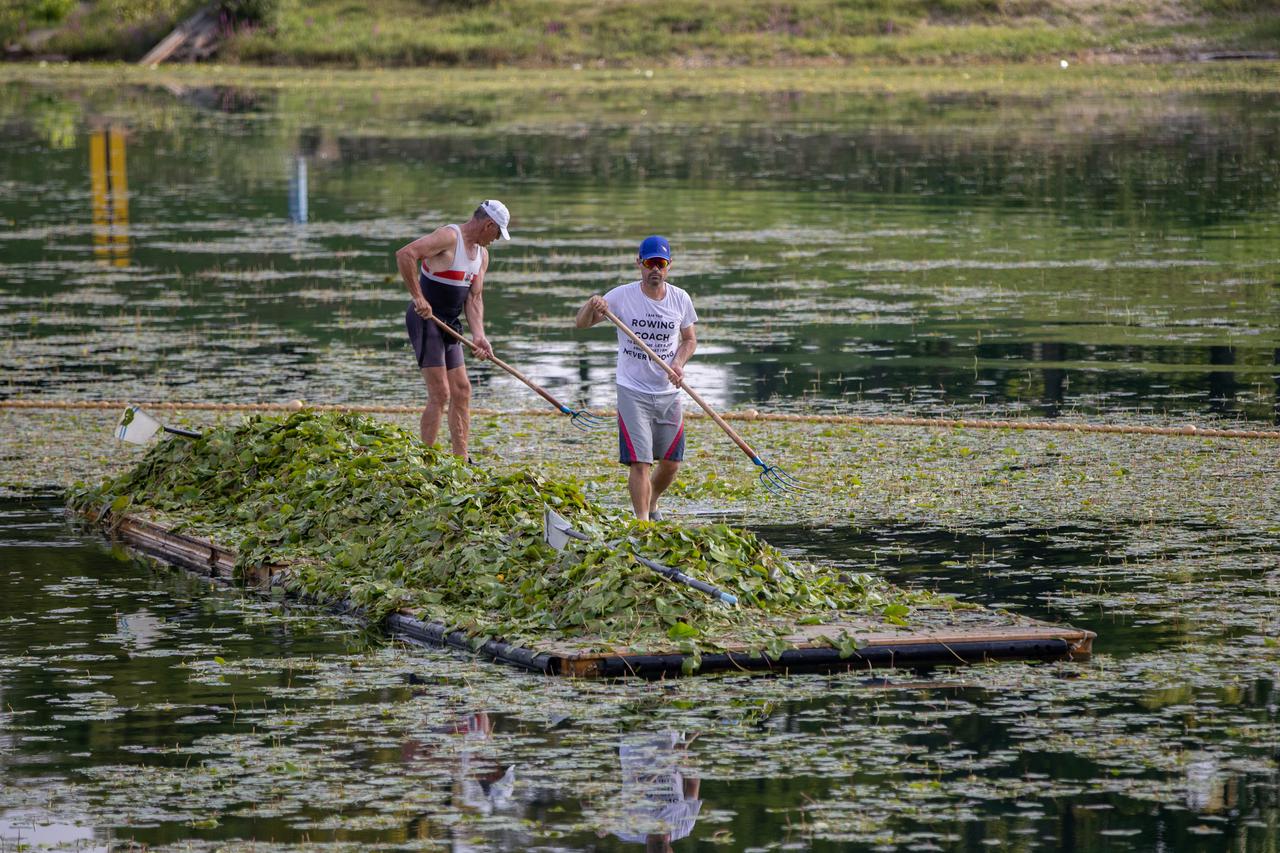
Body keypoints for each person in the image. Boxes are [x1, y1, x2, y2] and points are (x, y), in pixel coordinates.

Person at [576, 235, 697, 521]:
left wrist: (678, 364)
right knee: (640, 462)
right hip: (632, 390)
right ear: (638, 263)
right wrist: (592, 305)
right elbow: (581, 324)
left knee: (671, 463)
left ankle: (651, 501)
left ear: (668, 266)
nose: (655, 269)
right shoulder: (621, 296)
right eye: (649, 263)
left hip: (667, 391)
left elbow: (690, 339)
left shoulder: (680, 299)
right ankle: (642, 524)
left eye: (661, 263)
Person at [395, 200, 510, 459]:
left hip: (450, 324)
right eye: (497, 233)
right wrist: (418, 297)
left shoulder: (482, 255)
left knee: (462, 390)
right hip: (426, 319)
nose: (496, 239)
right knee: (441, 393)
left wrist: (479, 335)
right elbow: (405, 254)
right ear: (488, 224)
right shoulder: (449, 237)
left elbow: (474, 299)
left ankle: (461, 460)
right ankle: (423, 461)